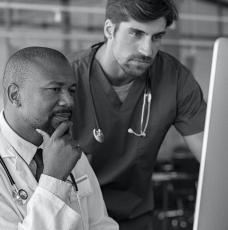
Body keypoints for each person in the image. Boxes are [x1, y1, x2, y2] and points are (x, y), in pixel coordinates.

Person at [68, 0, 207, 229]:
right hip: (76, 219)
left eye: (156, 37)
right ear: (109, 30)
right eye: (136, 34)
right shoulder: (66, 79)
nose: (147, 51)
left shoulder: (175, 80)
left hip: (134, 220)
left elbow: (215, 159)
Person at [0, 47, 119, 230]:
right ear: (15, 95)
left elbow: (101, 225)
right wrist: (53, 179)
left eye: (70, 90)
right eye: (55, 89)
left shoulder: (69, 151)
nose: (68, 101)